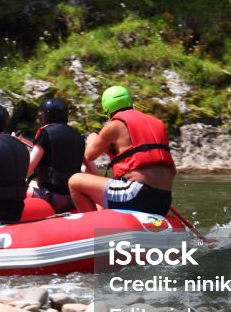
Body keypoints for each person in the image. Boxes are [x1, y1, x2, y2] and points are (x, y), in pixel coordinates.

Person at [68, 85, 176, 216]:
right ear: (130, 102)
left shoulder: (115, 125)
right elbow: (173, 172)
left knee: (75, 181)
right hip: (164, 199)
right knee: (101, 205)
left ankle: (92, 228)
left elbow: (89, 155)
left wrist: (92, 138)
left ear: (106, 108)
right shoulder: (158, 123)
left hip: (137, 195)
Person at [25, 97, 85, 213]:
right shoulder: (77, 136)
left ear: (45, 116)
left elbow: (28, 168)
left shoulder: (45, 134)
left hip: (51, 198)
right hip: (73, 198)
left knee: (12, 189)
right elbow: (93, 170)